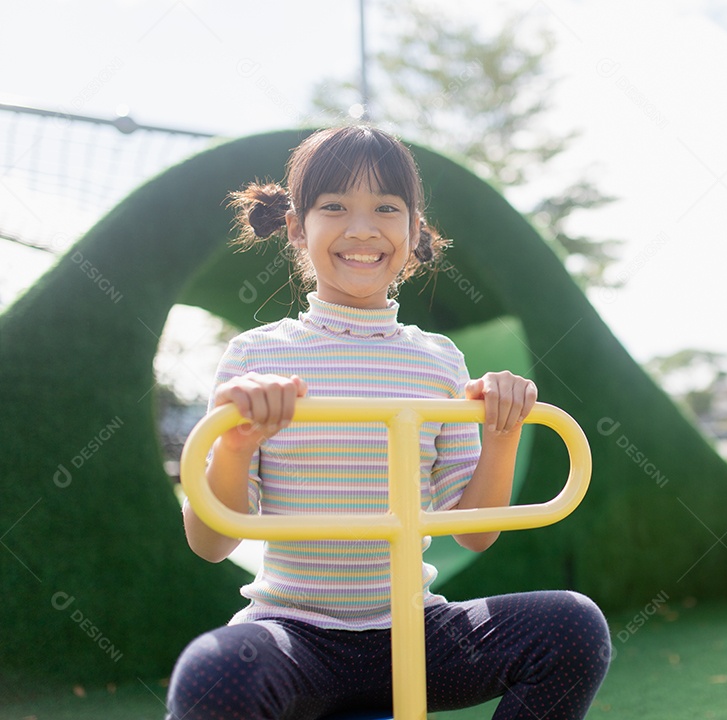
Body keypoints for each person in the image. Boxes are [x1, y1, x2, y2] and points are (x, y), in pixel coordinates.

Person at [165, 125, 610, 720]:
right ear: (298, 228)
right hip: (297, 636)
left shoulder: (438, 359)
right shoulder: (255, 357)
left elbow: (473, 531)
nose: (362, 228)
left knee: (572, 625)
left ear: (413, 229)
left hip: (415, 630)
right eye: (334, 207)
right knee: (214, 669)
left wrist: (503, 433)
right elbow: (211, 541)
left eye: (386, 208)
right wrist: (240, 443)